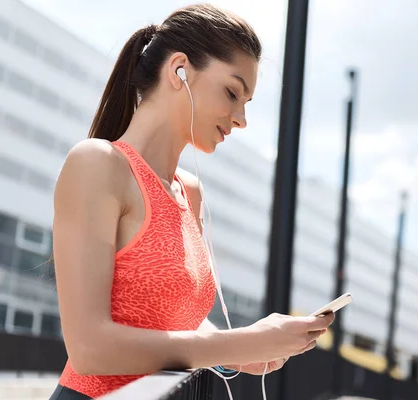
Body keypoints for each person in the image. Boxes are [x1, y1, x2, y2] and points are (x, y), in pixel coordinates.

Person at [48, 4, 335, 400]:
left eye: (246, 102)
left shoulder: (190, 192)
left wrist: (245, 354)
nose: (241, 120)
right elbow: (89, 350)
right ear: (179, 70)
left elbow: (172, 323)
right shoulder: (98, 164)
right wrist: (242, 344)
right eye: (232, 92)